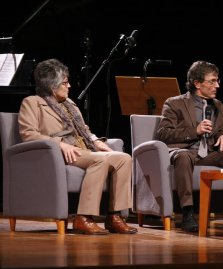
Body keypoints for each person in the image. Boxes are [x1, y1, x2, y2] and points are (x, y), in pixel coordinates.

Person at [18, 58, 137, 235]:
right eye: (65, 82)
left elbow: (84, 130)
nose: (69, 86)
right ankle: (83, 217)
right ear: (52, 85)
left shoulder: (70, 104)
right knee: (99, 161)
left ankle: (114, 217)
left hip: (82, 149)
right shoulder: (33, 103)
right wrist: (60, 144)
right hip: (58, 154)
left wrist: (96, 140)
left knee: (123, 158)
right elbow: (28, 134)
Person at [156, 60, 223, 233]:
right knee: (183, 155)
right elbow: (163, 134)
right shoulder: (174, 103)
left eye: (218, 81)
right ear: (197, 83)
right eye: (212, 81)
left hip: (208, 153)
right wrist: (195, 131)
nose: (217, 85)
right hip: (185, 151)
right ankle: (187, 213)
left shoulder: (217, 105)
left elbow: (219, 130)